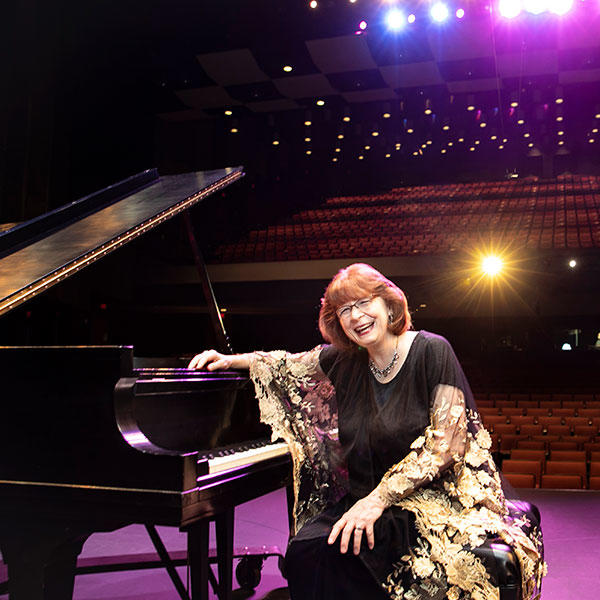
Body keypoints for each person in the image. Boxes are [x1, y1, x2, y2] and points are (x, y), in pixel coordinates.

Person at [189, 263, 545, 600]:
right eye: (344, 311)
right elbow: (285, 363)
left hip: (429, 497)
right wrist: (230, 359)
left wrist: (378, 501)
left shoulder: (432, 350)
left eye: (363, 303)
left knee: (357, 550)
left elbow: (448, 444)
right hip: (365, 493)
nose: (356, 316)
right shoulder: (345, 360)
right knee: (306, 549)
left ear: (388, 304)